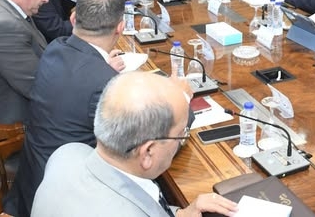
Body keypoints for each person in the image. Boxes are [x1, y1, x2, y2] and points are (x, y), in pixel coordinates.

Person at [31, 72, 238, 217]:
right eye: (181, 134)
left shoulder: (67, 153)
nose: (181, 140)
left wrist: (180, 214)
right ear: (148, 152)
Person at [5, 0, 128, 216]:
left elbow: (81, 79)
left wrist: (102, 67)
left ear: (73, 19)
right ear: (120, 28)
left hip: (31, 184)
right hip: (63, 201)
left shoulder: (55, 48)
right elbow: (140, 144)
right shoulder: (106, 83)